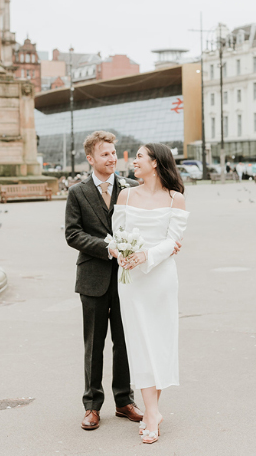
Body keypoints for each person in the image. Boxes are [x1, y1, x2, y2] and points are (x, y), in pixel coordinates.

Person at [65, 131, 146, 432]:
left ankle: (124, 401)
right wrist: (106, 247)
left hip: (127, 279)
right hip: (93, 278)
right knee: (94, 344)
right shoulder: (77, 192)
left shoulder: (131, 187)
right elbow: (72, 234)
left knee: (125, 342)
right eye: (105, 154)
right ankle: (92, 406)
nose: (112, 158)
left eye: (114, 153)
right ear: (90, 158)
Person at [110, 143, 189, 445]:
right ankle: (152, 412)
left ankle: (152, 411)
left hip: (162, 279)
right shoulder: (126, 195)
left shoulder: (175, 199)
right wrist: (121, 253)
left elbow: (173, 241)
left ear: (156, 163)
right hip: (131, 280)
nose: (134, 162)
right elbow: (116, 236)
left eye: (140, 157)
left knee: (159, 340)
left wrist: (146, 255)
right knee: (140, 342)